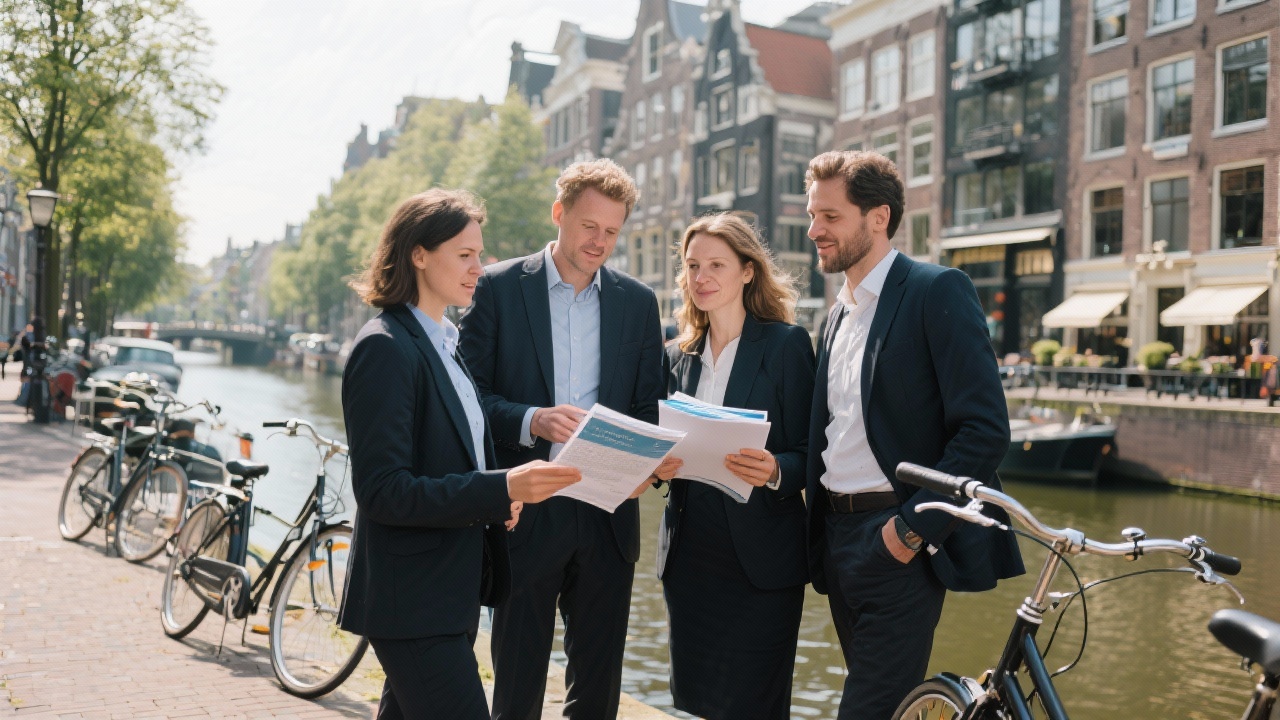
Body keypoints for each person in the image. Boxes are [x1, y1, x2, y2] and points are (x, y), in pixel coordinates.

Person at [339, 188, 583, 719]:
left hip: (444, 595)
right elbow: (383, 491)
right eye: (465, 254)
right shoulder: (385, 347)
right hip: (414, 603)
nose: (480, 266)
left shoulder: (444, 344)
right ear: (419, 254)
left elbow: (455, 458)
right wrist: (503, 488)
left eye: (480, 253)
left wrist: (499, 499)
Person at [803, 151, 1025, 719]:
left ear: (878, 217)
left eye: (830, 216)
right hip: (837, 539)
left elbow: (984, 430)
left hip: (896, 540)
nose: (814, 231)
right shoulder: (837, 314)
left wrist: (911, 529)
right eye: (813, 215)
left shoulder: (937, 290)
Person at [458, 159, 677, 720]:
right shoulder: (500, 287)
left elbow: (646, 407)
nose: (599, 241)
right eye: (588, 226)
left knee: (598, 692)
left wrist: (648, 468)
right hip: (527, 512)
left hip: (608, 515)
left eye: (611, 231)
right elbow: (465, 396)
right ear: (560, 214)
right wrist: (531, 418)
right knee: (517, 686)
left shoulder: (637, 302)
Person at [659, 213, 814, 720]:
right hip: (690, 556)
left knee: (756, 707)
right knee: (697, 703)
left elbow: (812, 455)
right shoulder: (677, 357)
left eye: (715, 265)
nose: (700, 277)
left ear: (748, 271)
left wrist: (774, 469)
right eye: (692, 266)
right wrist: (656, 464)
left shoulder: (787, 346)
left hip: (761, 563)